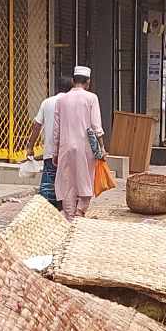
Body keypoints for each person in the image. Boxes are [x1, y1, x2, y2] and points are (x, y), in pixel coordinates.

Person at [52, 65, 104, 217]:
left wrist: (55, 151)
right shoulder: (91, 98)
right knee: (85, 179)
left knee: (67, 183)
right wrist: (102, 147)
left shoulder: (61, 100)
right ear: (88, 82)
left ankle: (69, 215)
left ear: (73, 81)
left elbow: (56, 130)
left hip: (65, 146)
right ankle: (80, 211)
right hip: (85, 147)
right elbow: (96, 126)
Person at [32, 77, 67, 204]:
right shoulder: (72, 103)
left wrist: (30, 147)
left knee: (47, 192)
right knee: (67, 190)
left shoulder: (47, 102)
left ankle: (47, 215)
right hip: (68, 154)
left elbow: (36, 125)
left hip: (49, 153)